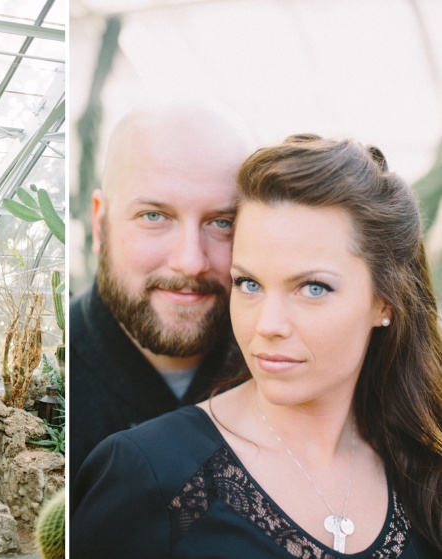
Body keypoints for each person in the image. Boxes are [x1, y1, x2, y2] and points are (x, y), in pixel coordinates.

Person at [71, 134, 442, 558]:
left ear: (385, 302)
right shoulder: (148, 474)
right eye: (249, 284)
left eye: (312, 288)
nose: (267, 325)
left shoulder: (423, 471)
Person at [69, 104, 252, 479]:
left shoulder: (276, 367)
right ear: (100, 224)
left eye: (222, 222)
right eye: (154, 216)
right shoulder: (57, 373)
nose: (190, 261)